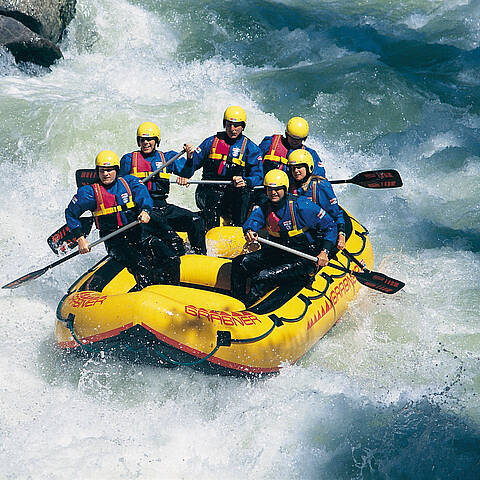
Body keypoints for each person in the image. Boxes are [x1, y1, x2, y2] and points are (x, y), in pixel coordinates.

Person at [65, 150, 180, 290]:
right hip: (115, 241)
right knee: (143, 269)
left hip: (137, 234)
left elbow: (144, 196)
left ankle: (171, 291)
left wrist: (146, 210)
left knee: (172, 259)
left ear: (116, 170)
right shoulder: (89, 193)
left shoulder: (129, 182)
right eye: (102, 171)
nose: (106, 174)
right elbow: (71, 213)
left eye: (109, 170)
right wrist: (80, 238)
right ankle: (140, 300)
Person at [231, 169, 337, 307]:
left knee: (264, 276)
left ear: (285, 189)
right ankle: (235, 301)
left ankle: (247, 308)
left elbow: (330, 226)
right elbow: (253, 221)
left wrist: (325, 251)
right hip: (280, 253)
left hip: (304, 258)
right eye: (269, 189)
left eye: (277, 189)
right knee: (240, 262)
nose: (273, 193)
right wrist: (249, 230)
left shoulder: (302, 206)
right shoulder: (264, 207)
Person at [120, 122, 206, 255]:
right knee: (174, 242)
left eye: (150, 139)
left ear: (156, 141)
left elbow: (186, 173)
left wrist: (189, 158)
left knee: (195, 220)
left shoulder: (167, 158)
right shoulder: (129, 160)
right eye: (143, 140)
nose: (146, 143)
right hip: (144, 210)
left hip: (163, 207)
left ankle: (200, 255)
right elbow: (119, 186)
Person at [176, 106, 263, 230]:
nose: (232, 129)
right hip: (208, 191)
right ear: (224, 124)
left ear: (243, 126)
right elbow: (189, 170)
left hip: (234, 193)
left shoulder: (251, 148)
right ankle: (209, 229)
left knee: (244, 195)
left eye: (236, 125)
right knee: (213, 200)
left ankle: (238, 229)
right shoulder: (211, 142)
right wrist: (189, 160)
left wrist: (246, 181)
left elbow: (258, 177)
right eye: (229, 125)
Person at [288, 149, 346, 251]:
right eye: (293, 168)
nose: (296, 171)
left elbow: (336, 214)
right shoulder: (289, 186)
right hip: (300, 237)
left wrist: (341, 234)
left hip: (320, 234)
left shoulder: (321, 186)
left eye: (299, 167)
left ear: (308, 167)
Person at [258, 116, 326, 176]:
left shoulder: (310, 154)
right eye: (292, 138)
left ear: (304, 139)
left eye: (298, 139)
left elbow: (319, 175)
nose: (294, 141)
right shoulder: (270, 142)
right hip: (267, 187)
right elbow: (255, 163)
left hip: (292, 189)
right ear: (287, 134)